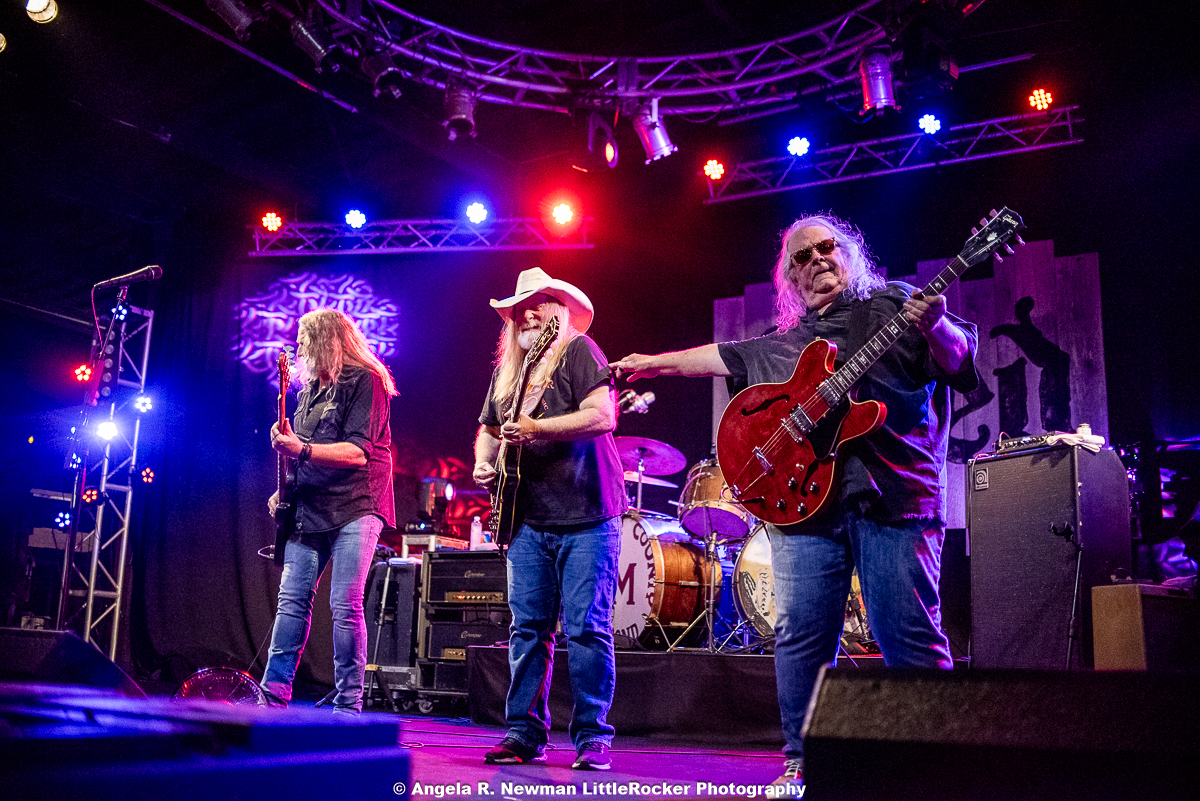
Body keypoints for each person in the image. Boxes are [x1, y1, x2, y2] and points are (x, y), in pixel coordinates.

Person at [611, 213, 979, 786]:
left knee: (906, 633)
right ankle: (804, 762)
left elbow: (958, 360)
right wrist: (652, 363)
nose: (817, 260)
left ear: (849, 253)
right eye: (801, 258)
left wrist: (936, 326)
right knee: (802, 638)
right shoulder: (784, 345)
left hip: (894, 495)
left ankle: (939, 769)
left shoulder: (896, 303)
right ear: (790, 279)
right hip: (804, 508)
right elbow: (719, 356)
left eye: (826, 247)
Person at [473, 267, 626, 770]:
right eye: (521, 307)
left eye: (538, 304)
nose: (528, 313)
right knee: (527, 630)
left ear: (559, 310)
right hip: (527, 519)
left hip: (587, 514)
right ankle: (523, 733)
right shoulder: (508, 373)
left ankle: (592, 737)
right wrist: (484, 461)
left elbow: (602, 415)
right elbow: (488, 429)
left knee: (586, 629)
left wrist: (538, 428)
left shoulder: (580, 351)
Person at [262, 308, 398, 714]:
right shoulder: (308, 392)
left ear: (326, 340)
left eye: (305, 341)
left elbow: (357, 452)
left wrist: (300, 448)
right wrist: (284, 488)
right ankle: (272, 697)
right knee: (291, 600)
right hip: (311, 506)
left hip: (357, 504)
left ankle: (348, 706)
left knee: (345, 603)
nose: (300, 349)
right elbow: (303, 455)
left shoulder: (366, 380)